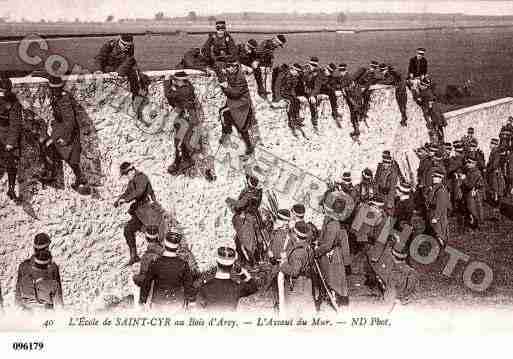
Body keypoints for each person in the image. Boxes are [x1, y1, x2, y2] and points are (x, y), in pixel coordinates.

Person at [40, 75, 88, 193]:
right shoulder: (56, 96)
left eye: (56, 89)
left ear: (60, 88)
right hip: (60, 128)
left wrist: (65, 138)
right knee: (46, 143)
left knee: (51, 146)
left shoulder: (64, 99)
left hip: (67, 131)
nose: (54, 91)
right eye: (52, 89)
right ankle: (79, 178)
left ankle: (51, 174)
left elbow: (70, 121)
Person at [114, 162, 160, 265]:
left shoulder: (142, 177)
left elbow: (139, 191)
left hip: (150, 211)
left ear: (131, 171)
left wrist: (126, 200)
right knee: (128, 230)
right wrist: (119, 200)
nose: (126, 177)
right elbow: (128, 192)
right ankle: (134, 256)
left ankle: (158, 260)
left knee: (154, 237)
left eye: (126, 174)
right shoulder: (132, 181)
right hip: (140, 213)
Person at [139, 231, 195, 310]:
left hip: (158, 302)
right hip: (177, 303)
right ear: (177, 246)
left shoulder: (155, 263)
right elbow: (188, 285)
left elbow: (146, 283)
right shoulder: (183, 264)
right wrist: (191, 301)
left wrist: (142, 301)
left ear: (164, 243)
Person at [165, 71, 205, 177]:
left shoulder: (182, 91)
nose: (175, 82)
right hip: (191, 116)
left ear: (179, 80)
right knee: (186, 139)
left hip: (185, 118)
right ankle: (184, 161)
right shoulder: (189, 87)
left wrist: (166, 81)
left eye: (175, 80)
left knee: (181, 140)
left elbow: (168, 94)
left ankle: (183, 162)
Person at [316, 191, 351, 308]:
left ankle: (335, 300)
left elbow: (327, 245)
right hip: (332, 254)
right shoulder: (330, 220)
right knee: (333, 277)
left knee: (333, 278)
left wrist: (316, 252)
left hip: (332, 256)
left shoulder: (333, 225)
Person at [197, 247, 257, 312]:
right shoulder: (237, 287)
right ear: (232, 265)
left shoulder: (205, 287)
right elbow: (253, 287)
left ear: (217, 262)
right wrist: (243, 273)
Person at [218, 57, 256, 157]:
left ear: (236, 67)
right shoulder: (232, 73)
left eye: (231, 67)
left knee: (223, 112)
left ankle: (226, 133)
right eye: (227, 66)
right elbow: (218, 65)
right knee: (240, 124)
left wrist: (226, 87)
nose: (229, 69)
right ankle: (248, 146)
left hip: (241, 103)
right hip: (236, 102)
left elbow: (235, 93)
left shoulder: (240, 78)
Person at [278, 222, 316, 316]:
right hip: (307, 281)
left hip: (297, 284)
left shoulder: (298, 252)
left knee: (294, 309)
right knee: (307, 306)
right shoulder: (308, 247)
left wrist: (283, 264)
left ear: (295, 235)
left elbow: (295, 272)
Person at [226, 173, 263, 266]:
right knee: (252, 240)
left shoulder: (249, 194)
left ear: (249, 182)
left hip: (247, 219)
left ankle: (252, 263)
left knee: (246, 242)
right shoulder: (258, 192)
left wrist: (229, 200)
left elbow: (239, 204)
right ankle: (252, 260)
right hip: (255, 217)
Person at [0, 77, 22, 201]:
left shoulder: (14, 103)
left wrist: (10, 142)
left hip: (7, 135)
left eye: (4, 91)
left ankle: (11, 188)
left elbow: (15, 124)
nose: (2, 94)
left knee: (11, 161)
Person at [278, 63, 305, 137]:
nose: (298, 73)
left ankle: (296, 117)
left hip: (288, 93)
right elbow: (282, 87)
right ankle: (291, 119)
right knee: (292, 101)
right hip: (283, 93)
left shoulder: (293, 76)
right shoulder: (287, 76)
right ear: (292, 70)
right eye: (297, 71)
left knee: (296, 101)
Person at [425, 171, 451, 247]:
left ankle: (441, 245)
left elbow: (441, 205)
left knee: (439, 231)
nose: (434, 179)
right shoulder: (434, 188)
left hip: (438, 214)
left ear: (441, 179)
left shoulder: (441, 190)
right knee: (435, 230)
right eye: (434, 177)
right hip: (432, 211)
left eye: (437, 177)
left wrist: (436, 217)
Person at [133, 225, 164, 289]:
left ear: (146, 238)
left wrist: (135, 277)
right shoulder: (164, 251)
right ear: (157, 237)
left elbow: (143, 280)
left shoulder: (145, 257)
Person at [257, 34, 286, 98]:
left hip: (267, 68)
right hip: (262, 68)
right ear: (275, 41)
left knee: (267, 86)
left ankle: (268, 100)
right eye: (279, 44)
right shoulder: (266, 44)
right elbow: (258, 54)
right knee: (263, 86)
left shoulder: (271, 46)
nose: (278, 46)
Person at [302, 57, 325, 132]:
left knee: (313, 102)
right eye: (311, 65)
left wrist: (312, 95)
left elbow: (317, 87)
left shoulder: (318, 73)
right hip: (302, 90)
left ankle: (314, 122)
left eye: (314, 65)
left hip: (311, 91)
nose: (312, 67)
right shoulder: (305, 69)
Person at [462, 157, 485, 230]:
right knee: (473, 208)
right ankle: (475, 223)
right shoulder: (471, 171)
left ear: (474, 164)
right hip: (473, 193)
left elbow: (470, 185)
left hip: (474, 194)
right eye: (467, 162)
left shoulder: (475, 172)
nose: (467, 164)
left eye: (470, 163)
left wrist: (464, 179)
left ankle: (477, 224)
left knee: (474, 208)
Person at [487, 139, 506, 221]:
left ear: (494, 145)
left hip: (496, 174)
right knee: (495, 190)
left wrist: (487, 169)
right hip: (495, 174)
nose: (490, 145)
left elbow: (494, 165)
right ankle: (497, 206)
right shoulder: (493, 152)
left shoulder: (496, 153)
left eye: (491, 144)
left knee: (497, 190)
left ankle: (498, 207)